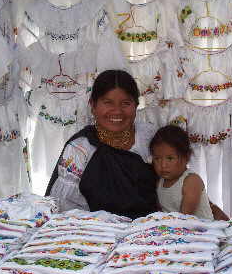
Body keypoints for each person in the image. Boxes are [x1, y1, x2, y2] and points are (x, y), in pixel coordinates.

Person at [45, 69, 159, 219]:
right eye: (108, 102)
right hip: (96, 233)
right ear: (93, 105)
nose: (117, 111)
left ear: (136, 106)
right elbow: (64, 208)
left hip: (149, 232)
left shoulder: (149, 138)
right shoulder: (80, 149)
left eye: (126, 103)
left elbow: (173, 182)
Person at [150, 125, 229, 220]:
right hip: (173, 229)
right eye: (157, 159)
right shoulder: (160, 182)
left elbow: (184, 218)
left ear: (186, 157)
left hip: (202, 230)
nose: (163, 165)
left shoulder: (191, 181)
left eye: (170, 158)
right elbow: (162, 213)